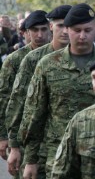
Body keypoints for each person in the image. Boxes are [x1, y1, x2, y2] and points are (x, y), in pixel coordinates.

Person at [21, 3, 95, 178]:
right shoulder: (47, 64)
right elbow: (34, 114)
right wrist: (30, 160)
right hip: (59, 155)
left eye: (87, 30)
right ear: (67, 29)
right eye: (77, 30)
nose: (82, 36)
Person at [5, 5, 71, 178]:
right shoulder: (29, 60)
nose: (40, 35)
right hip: (38, 144)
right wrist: (10, 142)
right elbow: (12, 101)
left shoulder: (90, 60)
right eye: (35, 30)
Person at [0, 10, 50, 162]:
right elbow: (4, 98)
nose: (39, 35)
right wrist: (3, 136)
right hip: (24, 135)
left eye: (43, 29)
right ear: (26, 33)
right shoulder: (15, 60)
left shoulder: (57, 55)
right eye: (35, 30)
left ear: (50, 29)